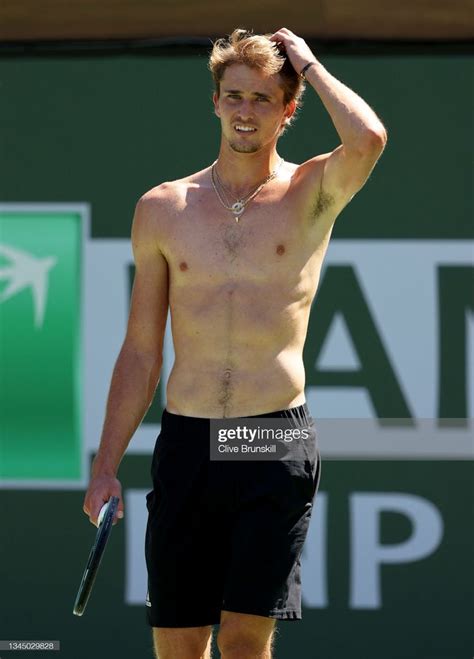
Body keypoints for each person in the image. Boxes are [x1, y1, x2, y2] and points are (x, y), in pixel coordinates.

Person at [83, 27, 387, 659]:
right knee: (181, 643)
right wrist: (106, 465)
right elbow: (142, 349)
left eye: (263, 99)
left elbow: (369, 139)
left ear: (288, 110)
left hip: (272, 434)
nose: (246, 111)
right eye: (234, 96)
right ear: (216, 101)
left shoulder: (310, 191)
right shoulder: (164, 207)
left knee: (246, 640)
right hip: (190, 435)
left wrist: (306, 62)